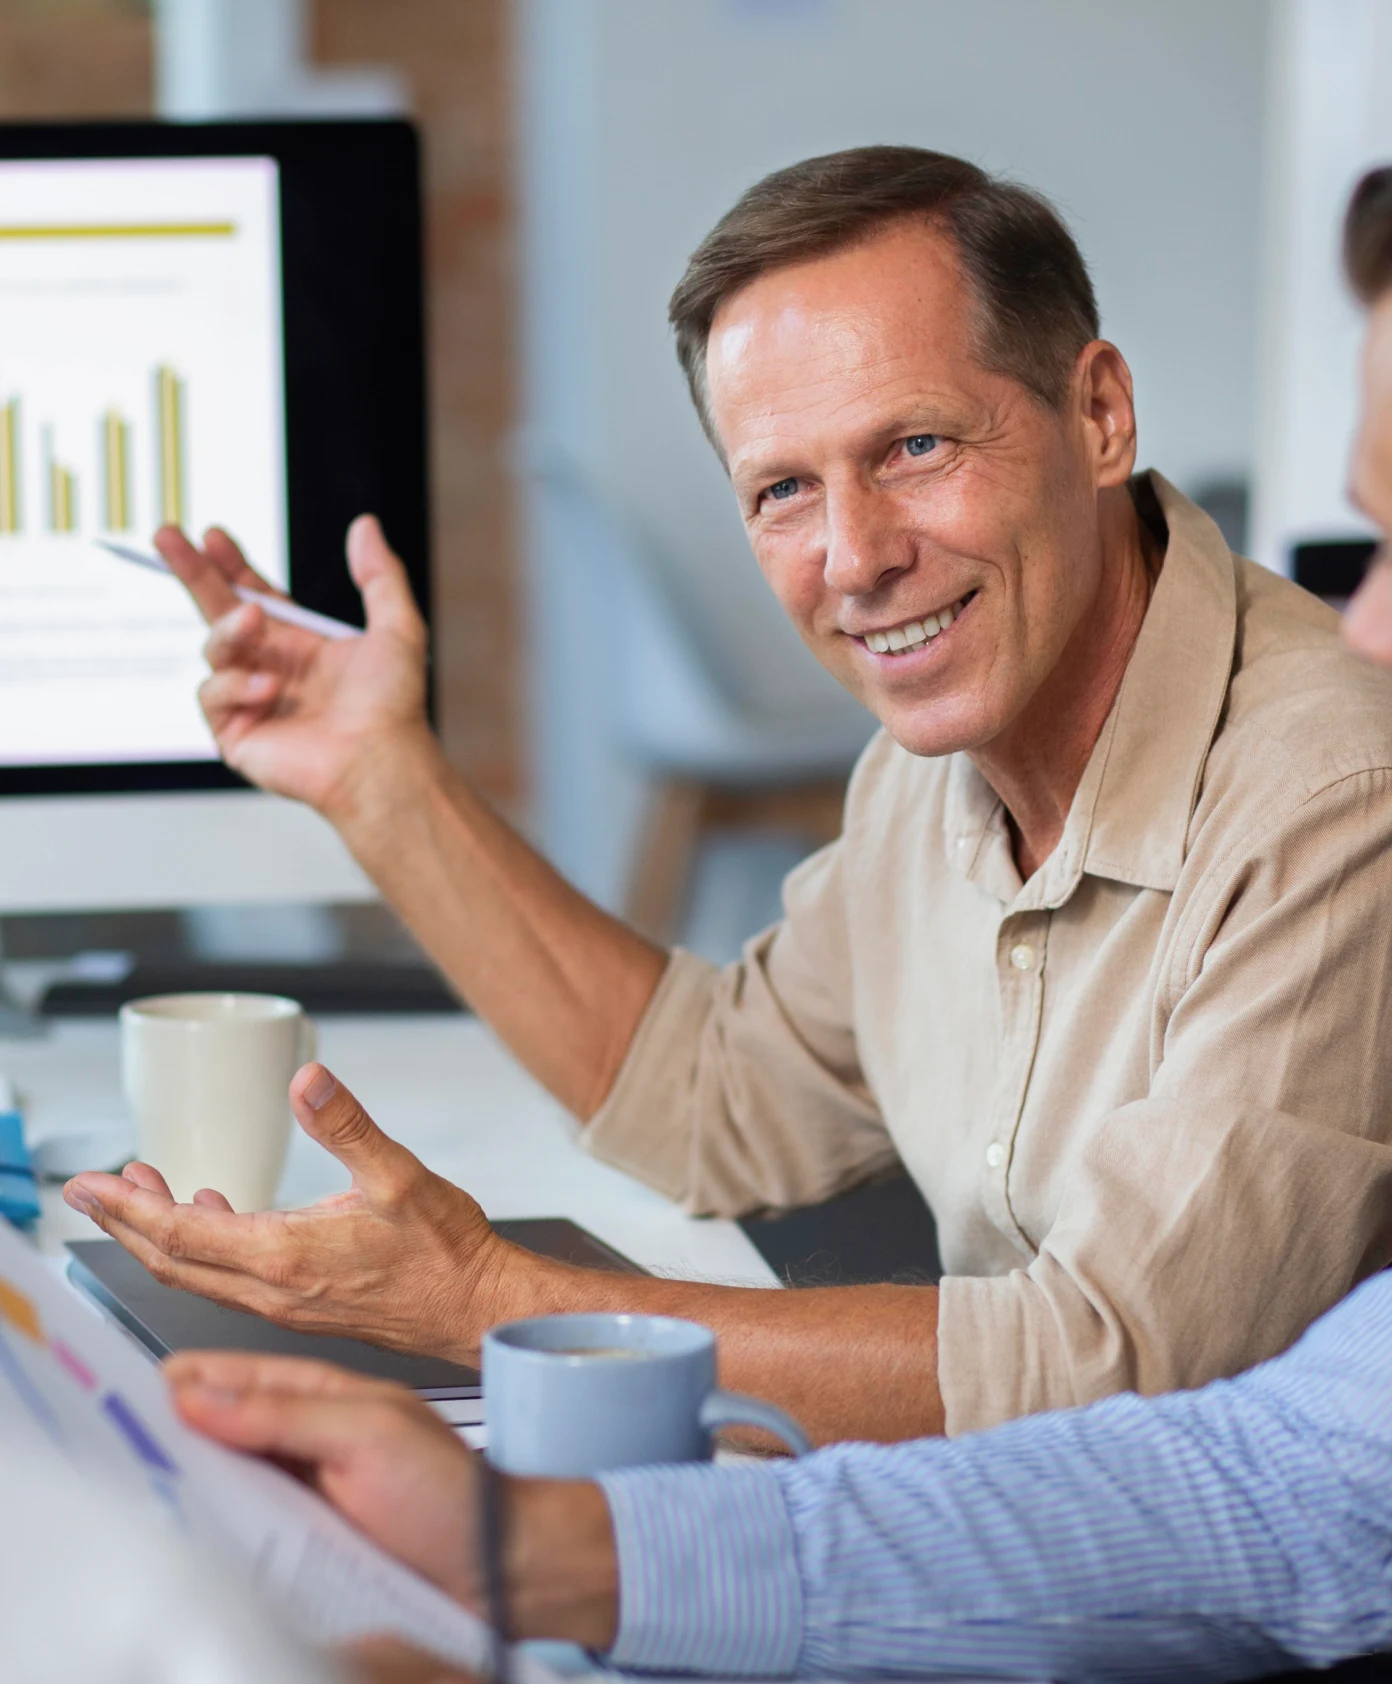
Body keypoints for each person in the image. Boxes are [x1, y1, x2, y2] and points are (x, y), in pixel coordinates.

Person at [162, 166, 1392, 1684]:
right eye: (783, 491)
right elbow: (715, 1095)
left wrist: (495, 1303)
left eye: (918, 447)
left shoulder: (1336, 785)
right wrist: (382, 785)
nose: (855, 557)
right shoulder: (926, 768)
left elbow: (1113, 1370)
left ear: (1100, 416)